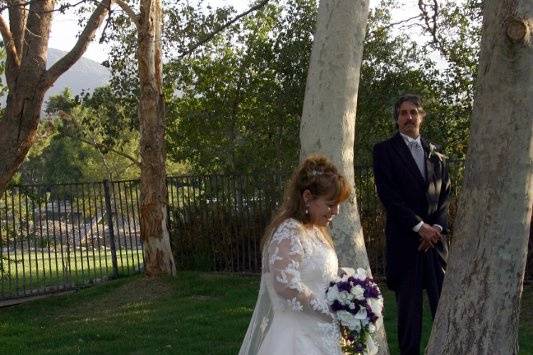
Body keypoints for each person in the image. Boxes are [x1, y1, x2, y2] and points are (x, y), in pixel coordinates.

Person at [239, 154, 352, 355]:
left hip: (321, 334)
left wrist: (349, 291)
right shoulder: (289, 232)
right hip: (295, 340)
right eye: (330, 203)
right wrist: (326, 311)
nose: (336, 211)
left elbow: (317, 275)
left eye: (338, 204)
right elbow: (285, 284)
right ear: (307, 197)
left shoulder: (315, 230)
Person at [373, 94, 451, 355]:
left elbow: (445, 198)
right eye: (404, 113)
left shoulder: (436, 153)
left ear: (422, 116)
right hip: (407, 245)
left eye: (414, 112)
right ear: (397, 119)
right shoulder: (384, 151)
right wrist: (420, 227)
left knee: (444, 311)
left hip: (435, 246)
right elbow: (389, 197)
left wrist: (436, 229)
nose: (409, 117)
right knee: (409, 317)